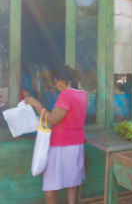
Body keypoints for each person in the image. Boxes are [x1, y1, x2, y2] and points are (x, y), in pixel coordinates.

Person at [25, 66, 87, 204]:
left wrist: (36, 104)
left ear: (63, 80)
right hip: (76, 144)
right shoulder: (82, 94)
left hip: (61, 146)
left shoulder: (66, 94)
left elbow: (52, 119)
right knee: (72, 182)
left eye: (57, 81)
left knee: (50, 186)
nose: (56, 84)